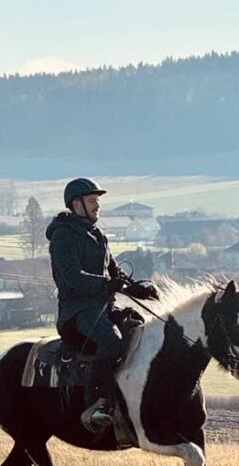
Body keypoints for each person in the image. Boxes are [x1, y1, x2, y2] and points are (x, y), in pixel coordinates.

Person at [45, 178, 159, 433]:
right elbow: (73, 277)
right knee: (111, 343)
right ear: (76, 204)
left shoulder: (98, 235)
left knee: (141, 331)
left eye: (98, 202)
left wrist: (137, 288)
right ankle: (96, 406)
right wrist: (109, 284)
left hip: (103, 310)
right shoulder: (62, 236)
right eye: (92, 201)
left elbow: (115, 274)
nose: (97, 206)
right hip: (76, 313)